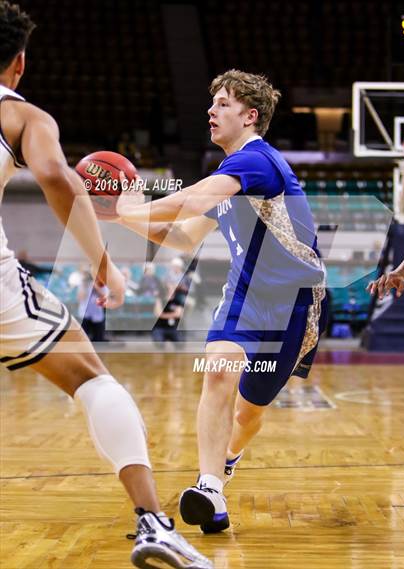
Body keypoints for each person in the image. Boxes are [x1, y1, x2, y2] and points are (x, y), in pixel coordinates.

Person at [0, 3, 212, 568]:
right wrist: (104, 265)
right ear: (18, 64)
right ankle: (153, 523)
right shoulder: (22, 116)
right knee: (93, 379)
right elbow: (55, 176)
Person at [116, 69, 327, 534]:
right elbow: (181, 234)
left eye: (224, 103)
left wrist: (136, 206)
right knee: (217, 369)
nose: (211, 110)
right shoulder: (228, 177)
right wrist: (122, 215)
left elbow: (187, 203)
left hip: (294, 305)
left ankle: (228, 458)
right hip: (245, 298)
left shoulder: (258, 162)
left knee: (249, 413)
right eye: (212, 102)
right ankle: (210, 488)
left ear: (250, 116)